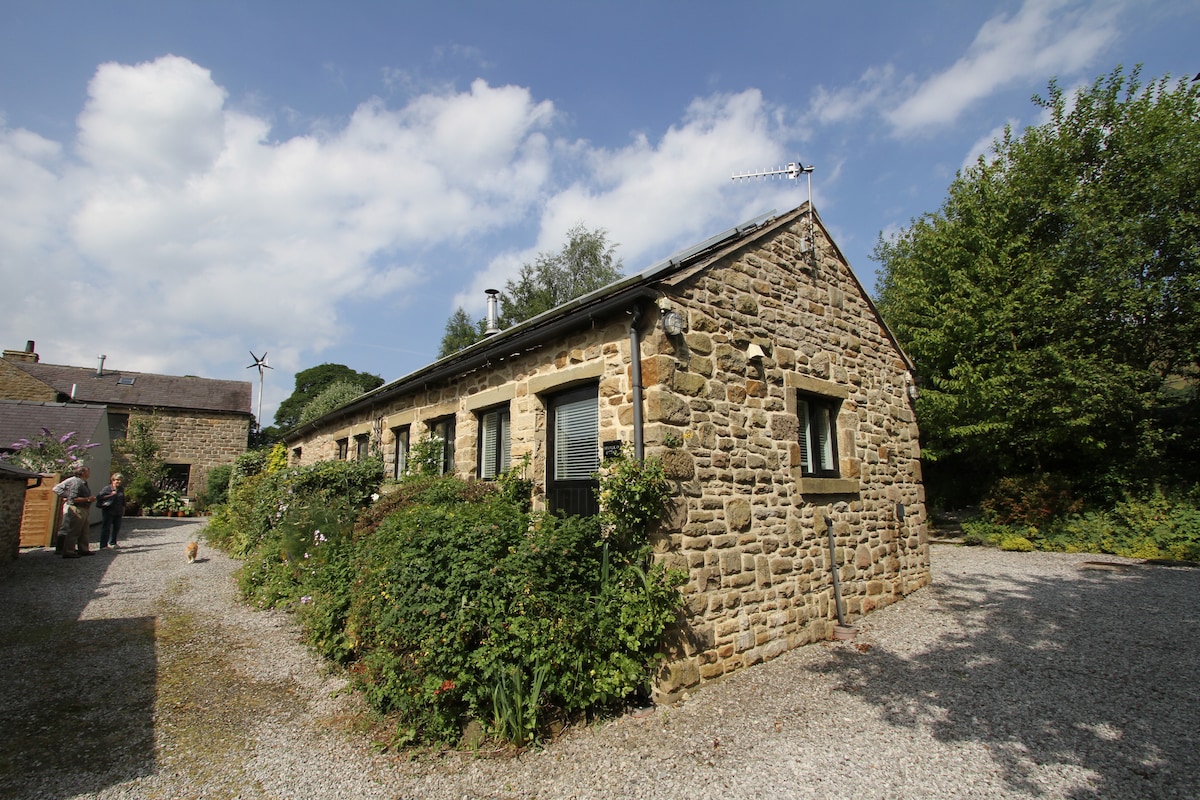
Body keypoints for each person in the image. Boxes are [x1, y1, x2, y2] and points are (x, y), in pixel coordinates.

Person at [52, 466, 96, 558]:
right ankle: (68, 551)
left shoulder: (83, 482)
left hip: (84, 509)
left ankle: (83, 549)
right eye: (88, 471)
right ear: (82, 472)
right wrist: (88, 499)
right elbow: (73, 498)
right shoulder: (76, 482)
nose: (89, 473)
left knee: (84, 531)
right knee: (73, 531)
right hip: (77, 508)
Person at [97, 472, 126, 549]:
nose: (119, 481)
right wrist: (111, 494)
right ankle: (103, 545)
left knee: (117, 527)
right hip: (108, 511)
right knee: (106, 528)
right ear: (113, 480)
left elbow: (123, 500)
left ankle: (113, 542)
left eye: (120, 480)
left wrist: (123, 509)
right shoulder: (107, 488)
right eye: (117, 480)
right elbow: (99, 497)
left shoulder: (121, 489)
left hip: (118, 511)